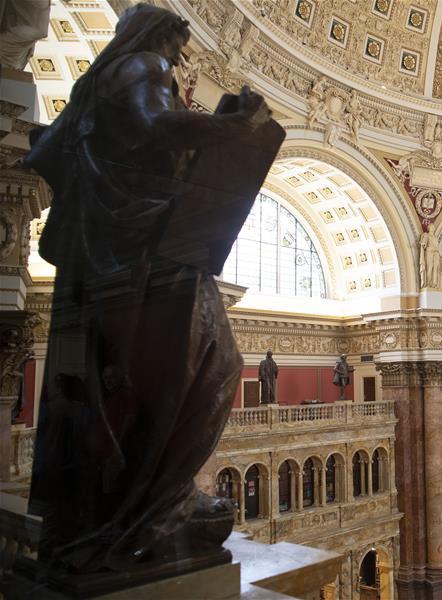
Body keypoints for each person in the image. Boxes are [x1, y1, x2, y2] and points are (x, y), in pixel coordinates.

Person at [24, 3, 272, 573]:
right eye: (178, 49)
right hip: (153, 247)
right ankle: (150, 510)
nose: (180, 61)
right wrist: (229, 127)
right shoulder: (142, 65)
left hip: (120, 248)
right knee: (216, 367)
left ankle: (133, 508)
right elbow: (149, 126)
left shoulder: (101, 80)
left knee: (135, 383)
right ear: (160, 36)